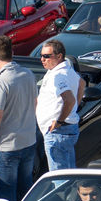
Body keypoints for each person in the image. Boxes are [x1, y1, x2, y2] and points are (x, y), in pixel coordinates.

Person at [0, 35, 38, 201]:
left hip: (7, 148)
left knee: (7, 196)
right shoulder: (28, 74)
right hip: (29, 142)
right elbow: (35, 103)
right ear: (12, 52)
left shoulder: (0, 81)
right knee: (25, 190)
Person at [36, 39, 84, 171]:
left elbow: (69, 100)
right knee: (68, 173)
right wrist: (73, 109)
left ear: (59, 56)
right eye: (41, 56)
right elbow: (81, 84)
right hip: (65, 130)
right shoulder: (66, 68)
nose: (42, 59)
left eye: (46, 56)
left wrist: (59, 121)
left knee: (59, 177)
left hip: (58, 132)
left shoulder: (58, 75)